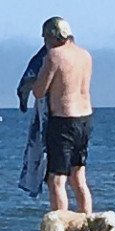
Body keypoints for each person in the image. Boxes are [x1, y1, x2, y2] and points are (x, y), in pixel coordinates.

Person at [33, 17, 93, 214]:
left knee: (56, 179)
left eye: (45, 37)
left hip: (63, 120)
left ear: (52, 36)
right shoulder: (85, 55)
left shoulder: (55, 56)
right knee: (78, 178)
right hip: (85, 118)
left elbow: (40, 91)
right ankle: (86, 229)